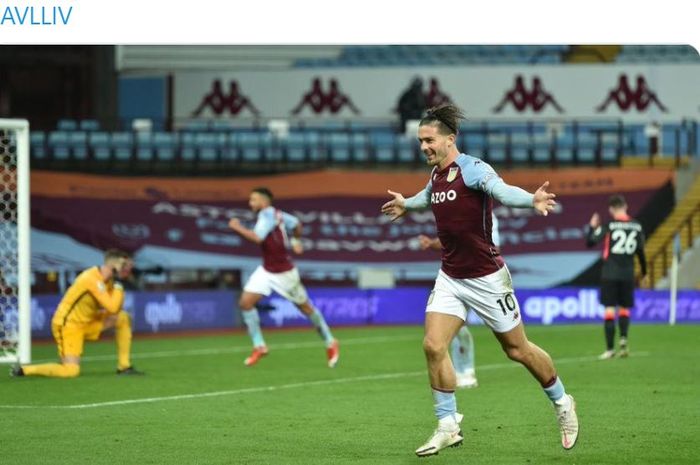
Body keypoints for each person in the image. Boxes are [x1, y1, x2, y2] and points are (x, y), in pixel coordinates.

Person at [381, 104, 578, 457]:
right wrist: (405, 204)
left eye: (429, 140)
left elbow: (502, 191)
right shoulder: (436, 176)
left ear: (449, 139)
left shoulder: (472, 169)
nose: (423, 146)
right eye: (420, 141)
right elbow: (426, 199)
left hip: (488, 278)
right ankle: (447, 425)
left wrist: (530, 199)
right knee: (432, 345)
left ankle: (563, 402)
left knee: (517, 350)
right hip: (451, 276)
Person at [228, 187, 339, 367]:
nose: (250, 203)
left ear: (264, 202)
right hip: (267, 270)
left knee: (305, 308)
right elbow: (296, 224)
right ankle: (259, 346)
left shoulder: (266, 214)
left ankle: (330, 341)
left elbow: (257, 238)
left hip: (284, 272)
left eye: (253, 200)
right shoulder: (277, 214)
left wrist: (237, 227)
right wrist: (296, 241)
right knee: (245, 303)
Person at [11, 250, 143, 378]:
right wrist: (119, 284)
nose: (127, 269)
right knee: (71, 371)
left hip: (88, 322)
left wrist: (118, 285)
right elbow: (113, 307)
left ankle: (124, 366)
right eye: (124, 265)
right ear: (113, 265)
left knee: (123, 318)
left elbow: (115, 309)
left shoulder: (110, 281)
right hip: (69, 325)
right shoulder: (91, 278)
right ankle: (25, 370)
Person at [417, 213, 501, 389]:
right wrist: (432, 244)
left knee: (513, 342)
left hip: (481, 278)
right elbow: (450, 241)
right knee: (456, 327)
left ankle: (464, 370)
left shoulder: (485, 215)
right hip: (455, 278)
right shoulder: (455, 210)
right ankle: (464, 372)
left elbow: (495, 248)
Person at [586, 194, 647, 360]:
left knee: (609, 310)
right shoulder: (637, 226)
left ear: (611, 209)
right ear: (626, 206)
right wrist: (645, 272)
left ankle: (610, 349)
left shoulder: (610, 225)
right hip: (628, 274)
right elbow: (641, 252)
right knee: (625, 308)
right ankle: (624, 339)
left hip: (610, 274)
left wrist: (592, 227)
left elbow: (591, 241)